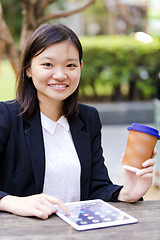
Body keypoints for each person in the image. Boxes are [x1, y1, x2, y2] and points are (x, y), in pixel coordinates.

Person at [0, 24, 156, 220]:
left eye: (70, 65)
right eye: (47, 64)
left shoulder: (87, 118)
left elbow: (96, 187)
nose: (60, 74)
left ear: (80, 67)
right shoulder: (5, 116)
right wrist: (13, 202)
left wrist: (127, 193)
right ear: (28, 69)